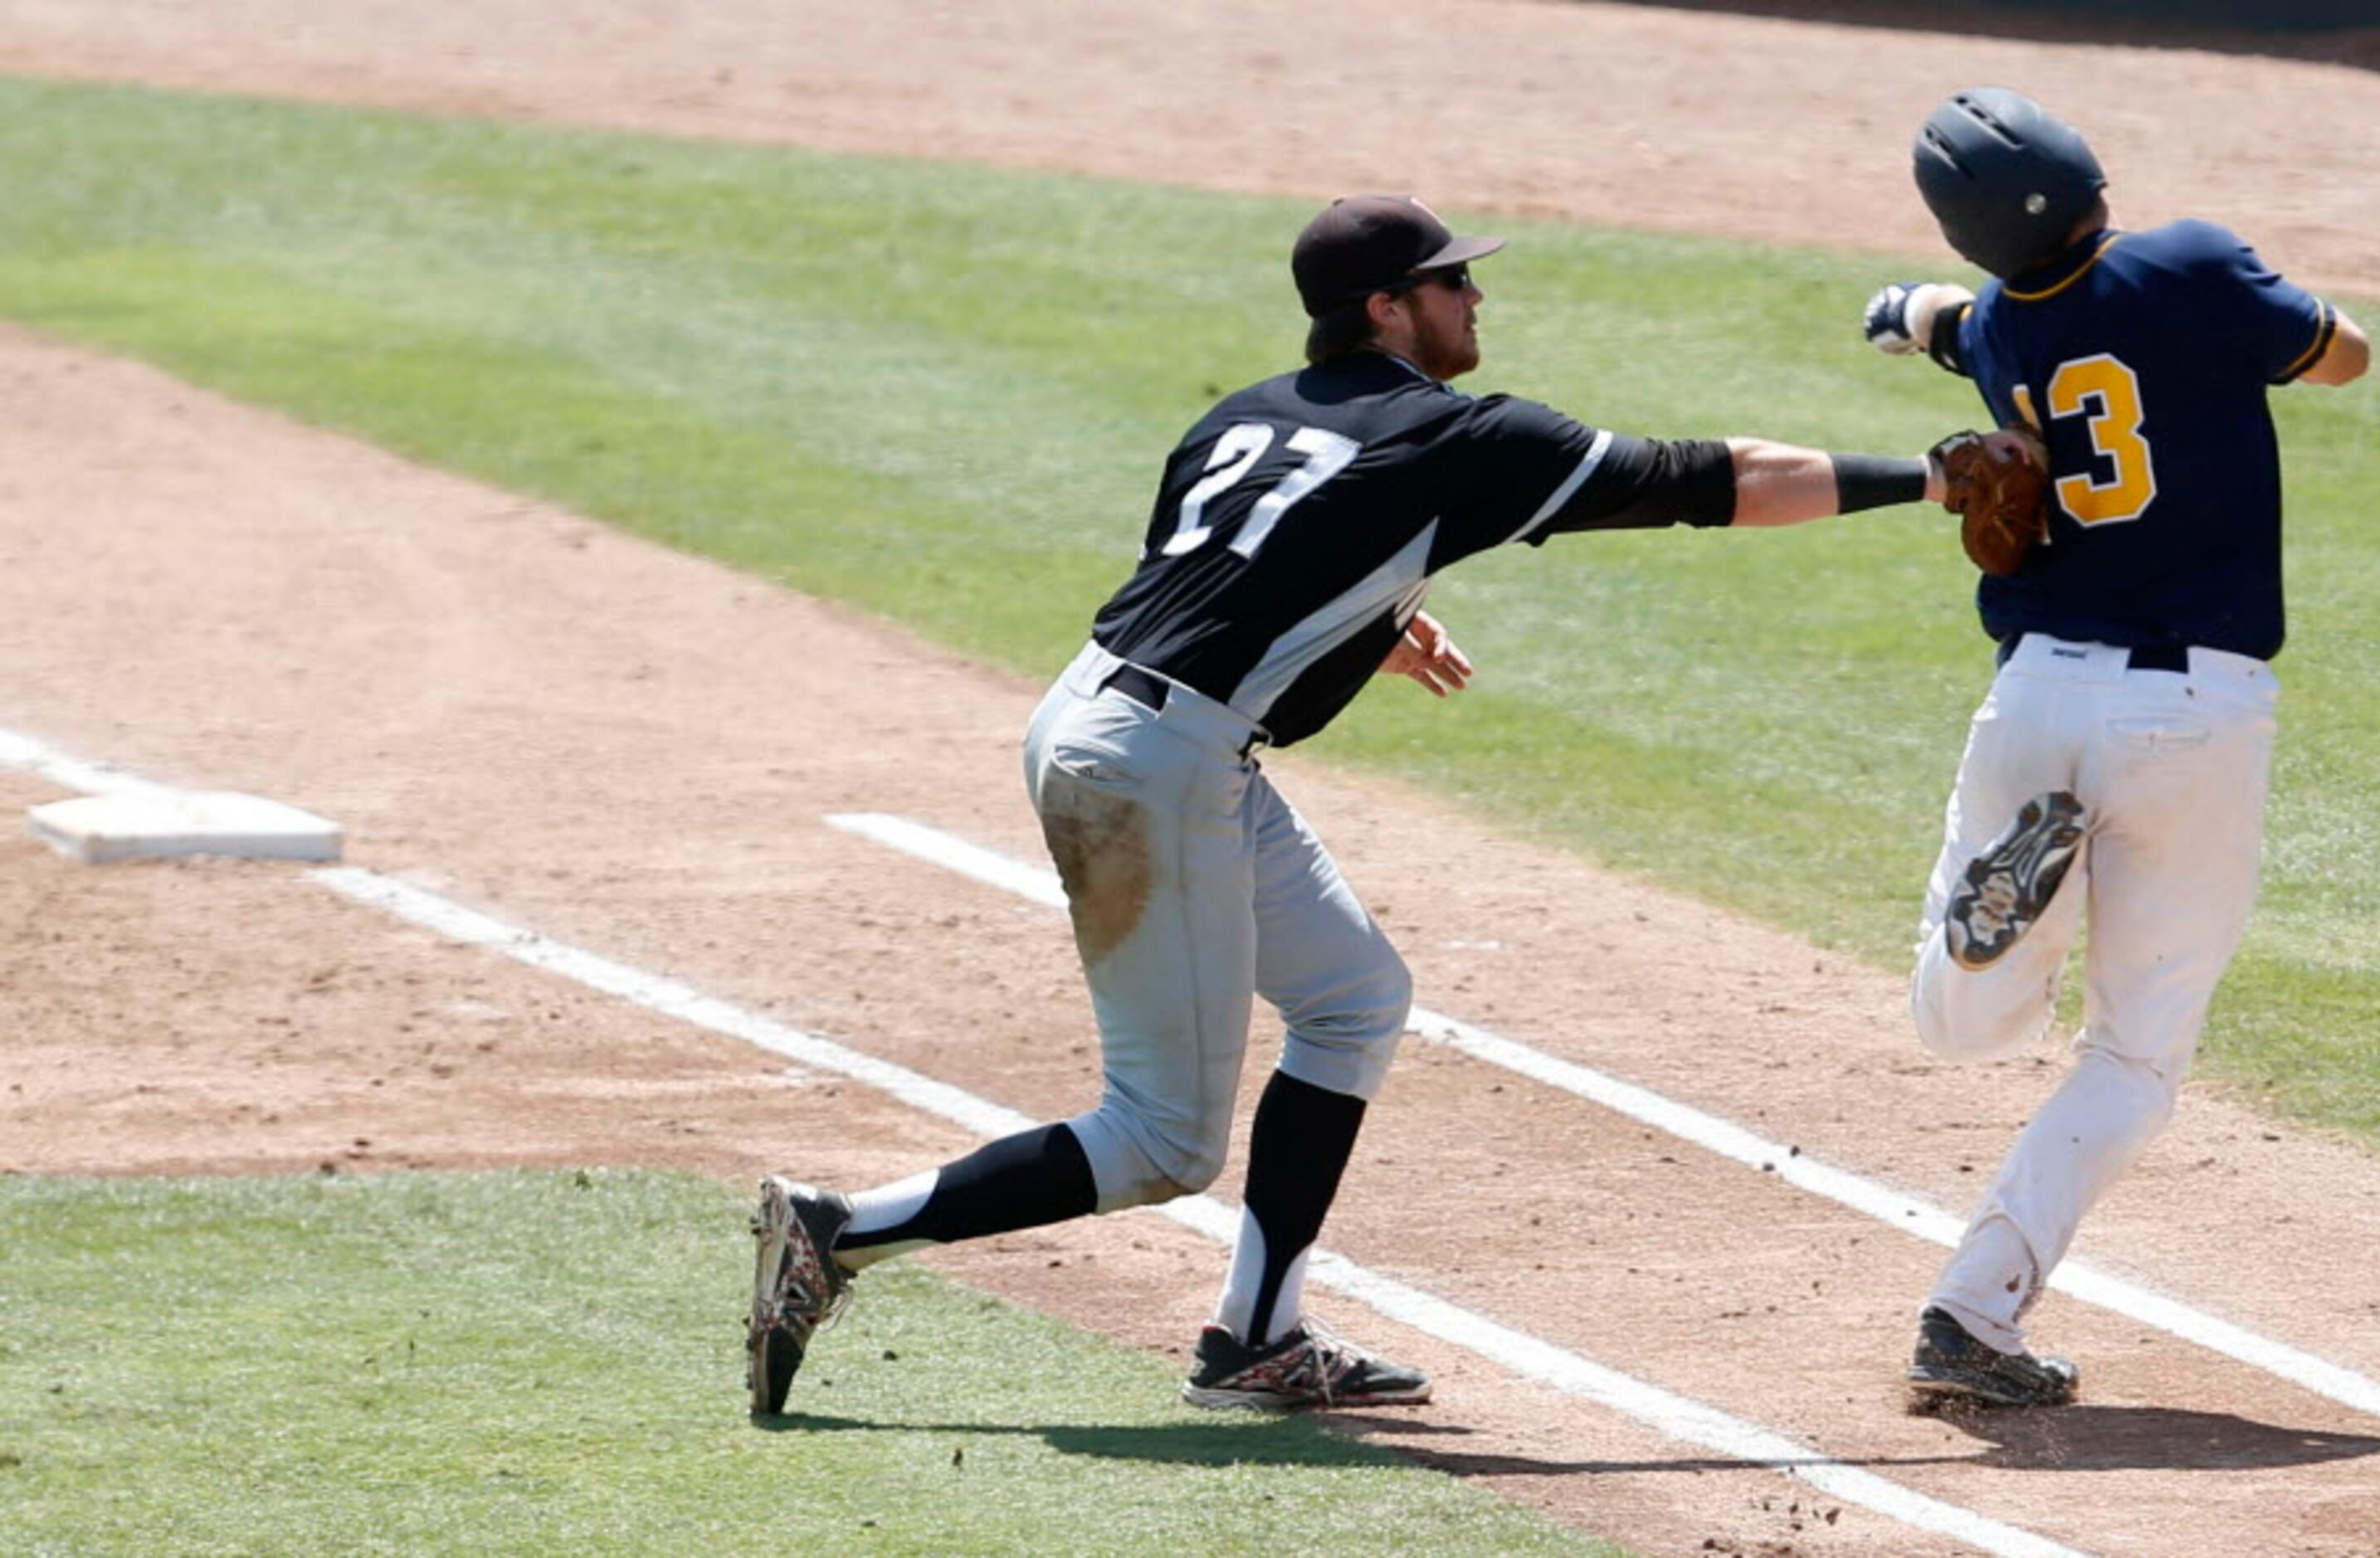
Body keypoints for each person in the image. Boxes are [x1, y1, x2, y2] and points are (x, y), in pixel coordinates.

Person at [746, 192, 1995, 1414]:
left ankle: (1258, 1333)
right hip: (1162, 765)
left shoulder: (1246, 413)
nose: (1478, 297)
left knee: (1352, 1000)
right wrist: (1931, 481)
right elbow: (1704, 478)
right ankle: (840, 1231)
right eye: (1456, 281)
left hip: (1106, 717)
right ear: (1390, 309)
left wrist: (1369, 623)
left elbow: (1216, 574)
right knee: (1162, 1141)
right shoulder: (1459, 436)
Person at [1860, 89, 2372, 1407]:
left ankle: (1994, 926)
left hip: (2037, 691)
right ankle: (1974, 1309)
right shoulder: (2192, 263)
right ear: (2086, 170)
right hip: (2193, 713)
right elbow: (2342, 354)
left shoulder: (1996, 334)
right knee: (2135, 1054)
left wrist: (1913, 312)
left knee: (1959, 1023)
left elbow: (1963, 322)